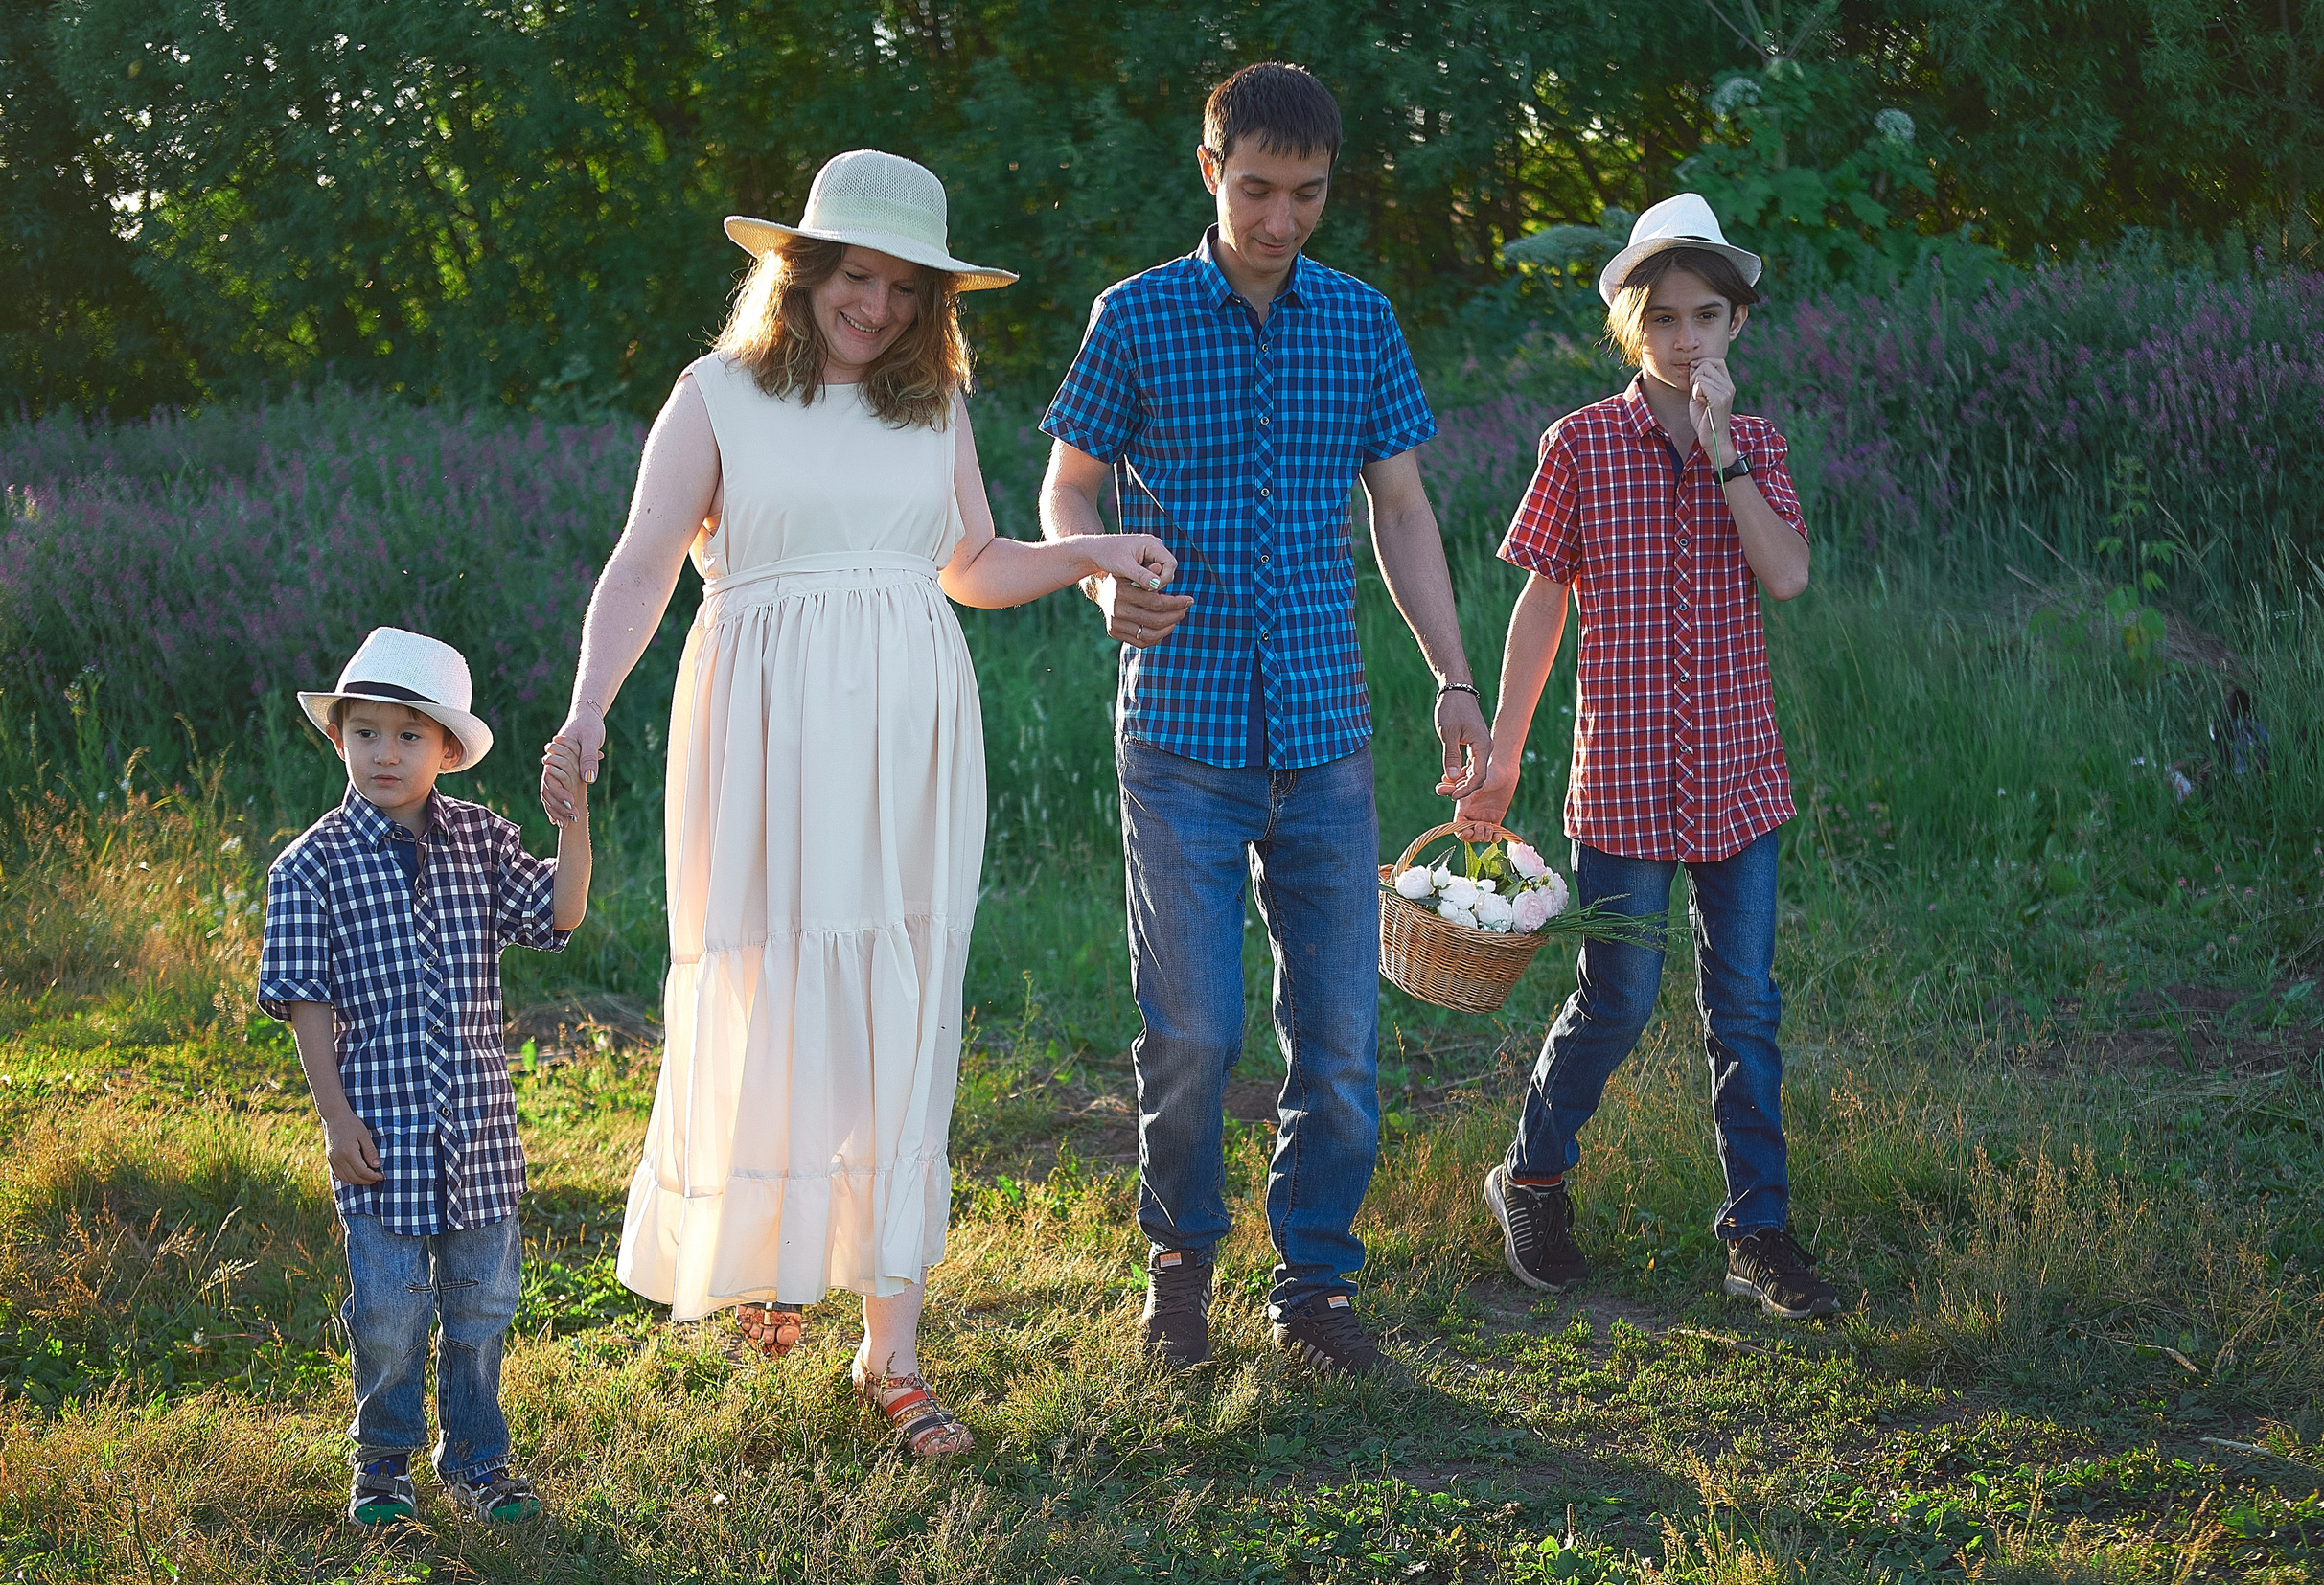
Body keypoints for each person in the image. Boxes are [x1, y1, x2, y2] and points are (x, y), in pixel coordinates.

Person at [548, 149, 1166, 1459]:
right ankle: (774, 1259)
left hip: (910, 726)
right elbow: (646, 558)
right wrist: (590, 705)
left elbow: (973, 563)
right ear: (803, 271)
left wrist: (1088, 555)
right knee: (772, 984)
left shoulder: (931, 405)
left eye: (902, 286)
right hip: (762, 726)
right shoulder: (715, 395)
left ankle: (892, 1351)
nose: (874, 305)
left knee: (898, 994)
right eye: (853, 275)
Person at [1040, 61, 1491, 1378]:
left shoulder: (1361, 320)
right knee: (1192, 1031)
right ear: (1208, 171)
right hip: (1178, 729)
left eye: (1307, 193)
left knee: (1341, 1041)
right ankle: (1179, 1264)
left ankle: (1315, 1283)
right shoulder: (1134, 317)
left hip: (1327, 733)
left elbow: (1400, 512)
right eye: (1257, 190)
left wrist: (1454, 677)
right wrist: (1099, 564)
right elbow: (1068, 485)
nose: (1282, 218)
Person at [1455, 193, 1840, 1320]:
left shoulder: (1758, 446)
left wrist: (1721, 453)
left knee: (1745, 1006)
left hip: (1737, 780)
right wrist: (1503, 754)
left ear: (1736, 326)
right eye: (1662, 317)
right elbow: (1538, 605)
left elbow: (1787, 575)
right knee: (1615, 998)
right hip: (1620, 784)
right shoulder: (1578, 443)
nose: (1685, 338)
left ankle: (1757, 1232)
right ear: (1632, 325)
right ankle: (1529, 1174)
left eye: (1706, 316)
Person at [257, 626, 593, 1527]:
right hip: (380, 1133)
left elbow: (557, 911)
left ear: (448, 750)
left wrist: (574, 823)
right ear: (340, 740)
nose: (385, 753)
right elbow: (307, 1003)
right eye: (366, 732)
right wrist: (335, 1119)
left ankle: (479, 1462)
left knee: (481, 1307)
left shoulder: (481, 842)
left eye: (410, 736)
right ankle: (383, 1465)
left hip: (477, 1128)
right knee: (389, 1319)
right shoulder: (310, 867)